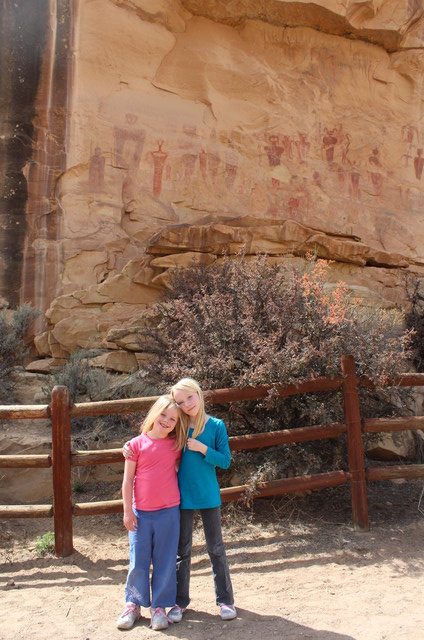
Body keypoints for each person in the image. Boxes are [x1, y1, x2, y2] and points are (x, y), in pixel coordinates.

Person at [123, 378, 237, 622]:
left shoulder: (216, 425)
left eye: (190, 397)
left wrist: (202, 449)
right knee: (181, 551)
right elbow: (154, 437)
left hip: (208, 496)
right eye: (181, 401)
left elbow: (226, 461)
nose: (187, 404)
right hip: (181, 498)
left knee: (215, 548)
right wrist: (129, 445)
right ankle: (179, 602)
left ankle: (225, 600)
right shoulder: (179, 426)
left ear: (199, 393)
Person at [116, 394, 186, 632]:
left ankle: (159, 607)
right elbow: (127, 481)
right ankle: (133, 604)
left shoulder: (176, 446)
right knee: (138, 560)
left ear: (177, 425)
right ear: (154, 415)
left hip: (169, 512)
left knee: (165, 560)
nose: (166, 421)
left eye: (173, 420)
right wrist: (127, 510)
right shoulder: (136, 444)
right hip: (141, 514)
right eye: (163, 415)